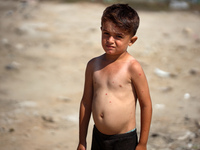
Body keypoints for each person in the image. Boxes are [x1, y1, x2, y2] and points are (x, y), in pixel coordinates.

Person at [77, 4, 152, 150]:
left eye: (118, 36)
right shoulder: (93, 65)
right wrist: (82, 140)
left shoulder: (132, 67)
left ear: (131, 40)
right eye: (106, 33)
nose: (110, 40)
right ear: (101, 31)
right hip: (98, 136)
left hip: (124, 140)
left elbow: (146, 105)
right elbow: (86, 102)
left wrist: (142, 143)